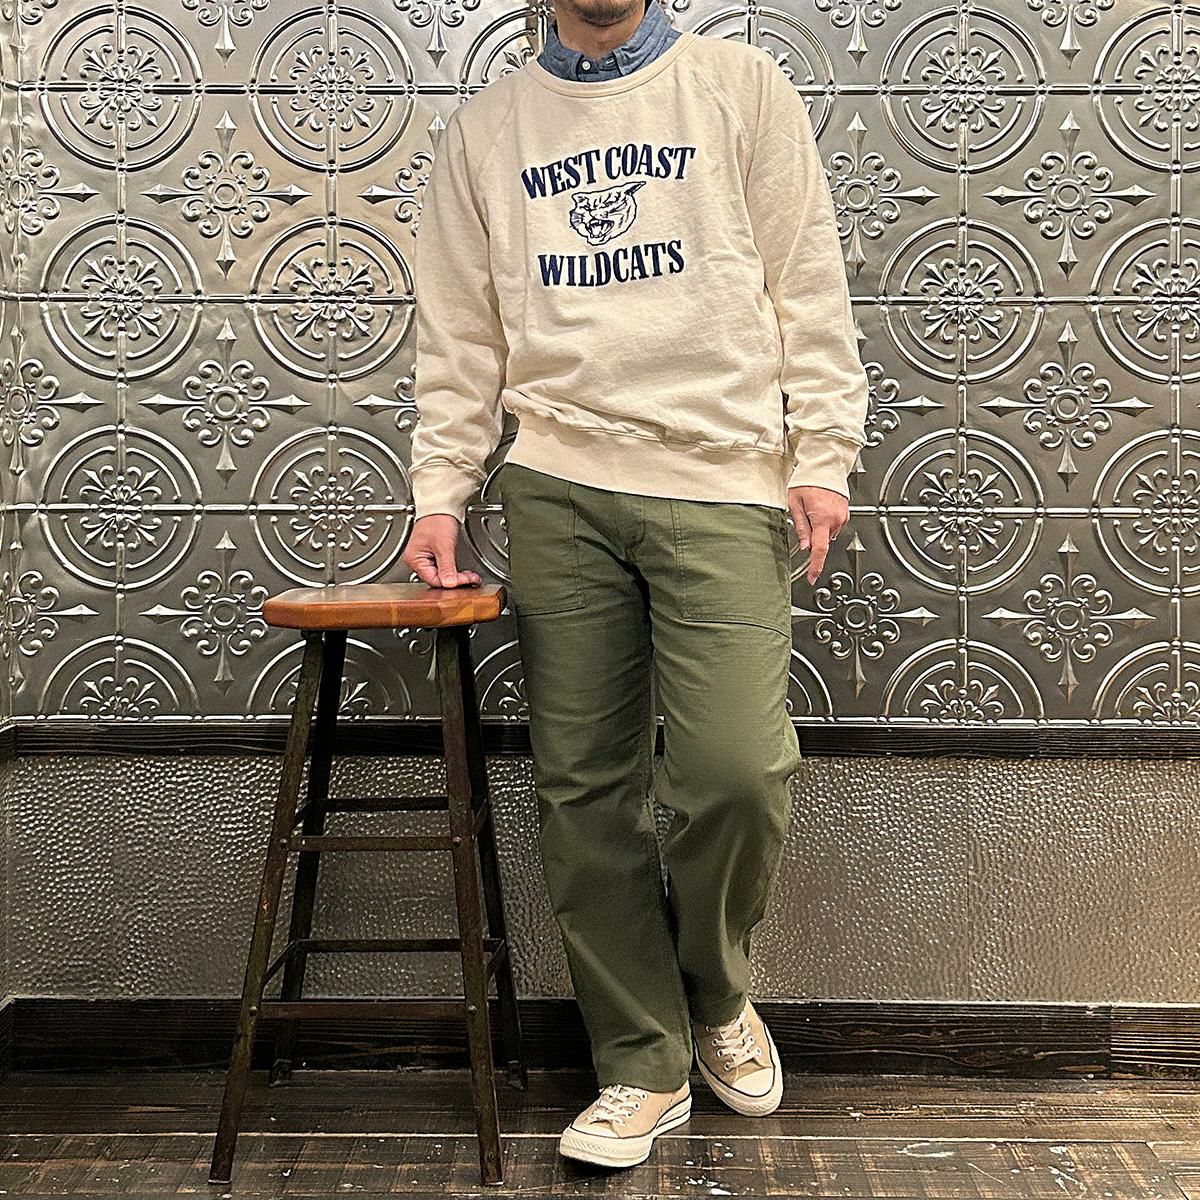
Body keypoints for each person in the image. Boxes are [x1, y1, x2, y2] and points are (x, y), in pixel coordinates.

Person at [401, 0, 869, 1171]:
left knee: (735, 771)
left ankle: (714, 995)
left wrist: (823, 453)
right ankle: (642, 1060)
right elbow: (458, 332)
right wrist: (441, 489)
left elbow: (807, 279)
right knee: (585, 789)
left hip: (723, 472)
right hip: (558, 479)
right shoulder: (489, 130)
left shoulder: (740, 87)